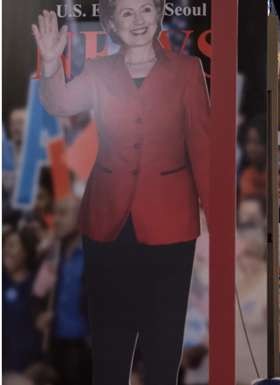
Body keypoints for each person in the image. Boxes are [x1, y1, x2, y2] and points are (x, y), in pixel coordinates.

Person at [33, 1, 209, 384]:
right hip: (106, 221)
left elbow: (202, 145)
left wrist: (216, 220)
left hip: (171, 224)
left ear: (159, 15)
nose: (139, 20)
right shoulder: (98, 71)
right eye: (127, 13)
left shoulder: (188, 70)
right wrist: (50, 63)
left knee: (163, 343)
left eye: (146, 9)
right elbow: (59, 102)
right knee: (111, 339)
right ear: (111, 23)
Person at [32, 197, 91, 385]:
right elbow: (37, 295)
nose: (56, 219)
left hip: (86, 350)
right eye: (55, 213)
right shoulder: (52, 255)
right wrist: (39, 315)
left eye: (63, 213)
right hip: (55, 346)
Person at [2, 228, 42, 373]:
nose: (6, 250)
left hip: (30, 368)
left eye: (12, 245)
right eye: (4, 245)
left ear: (25, 251)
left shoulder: (37, 285)